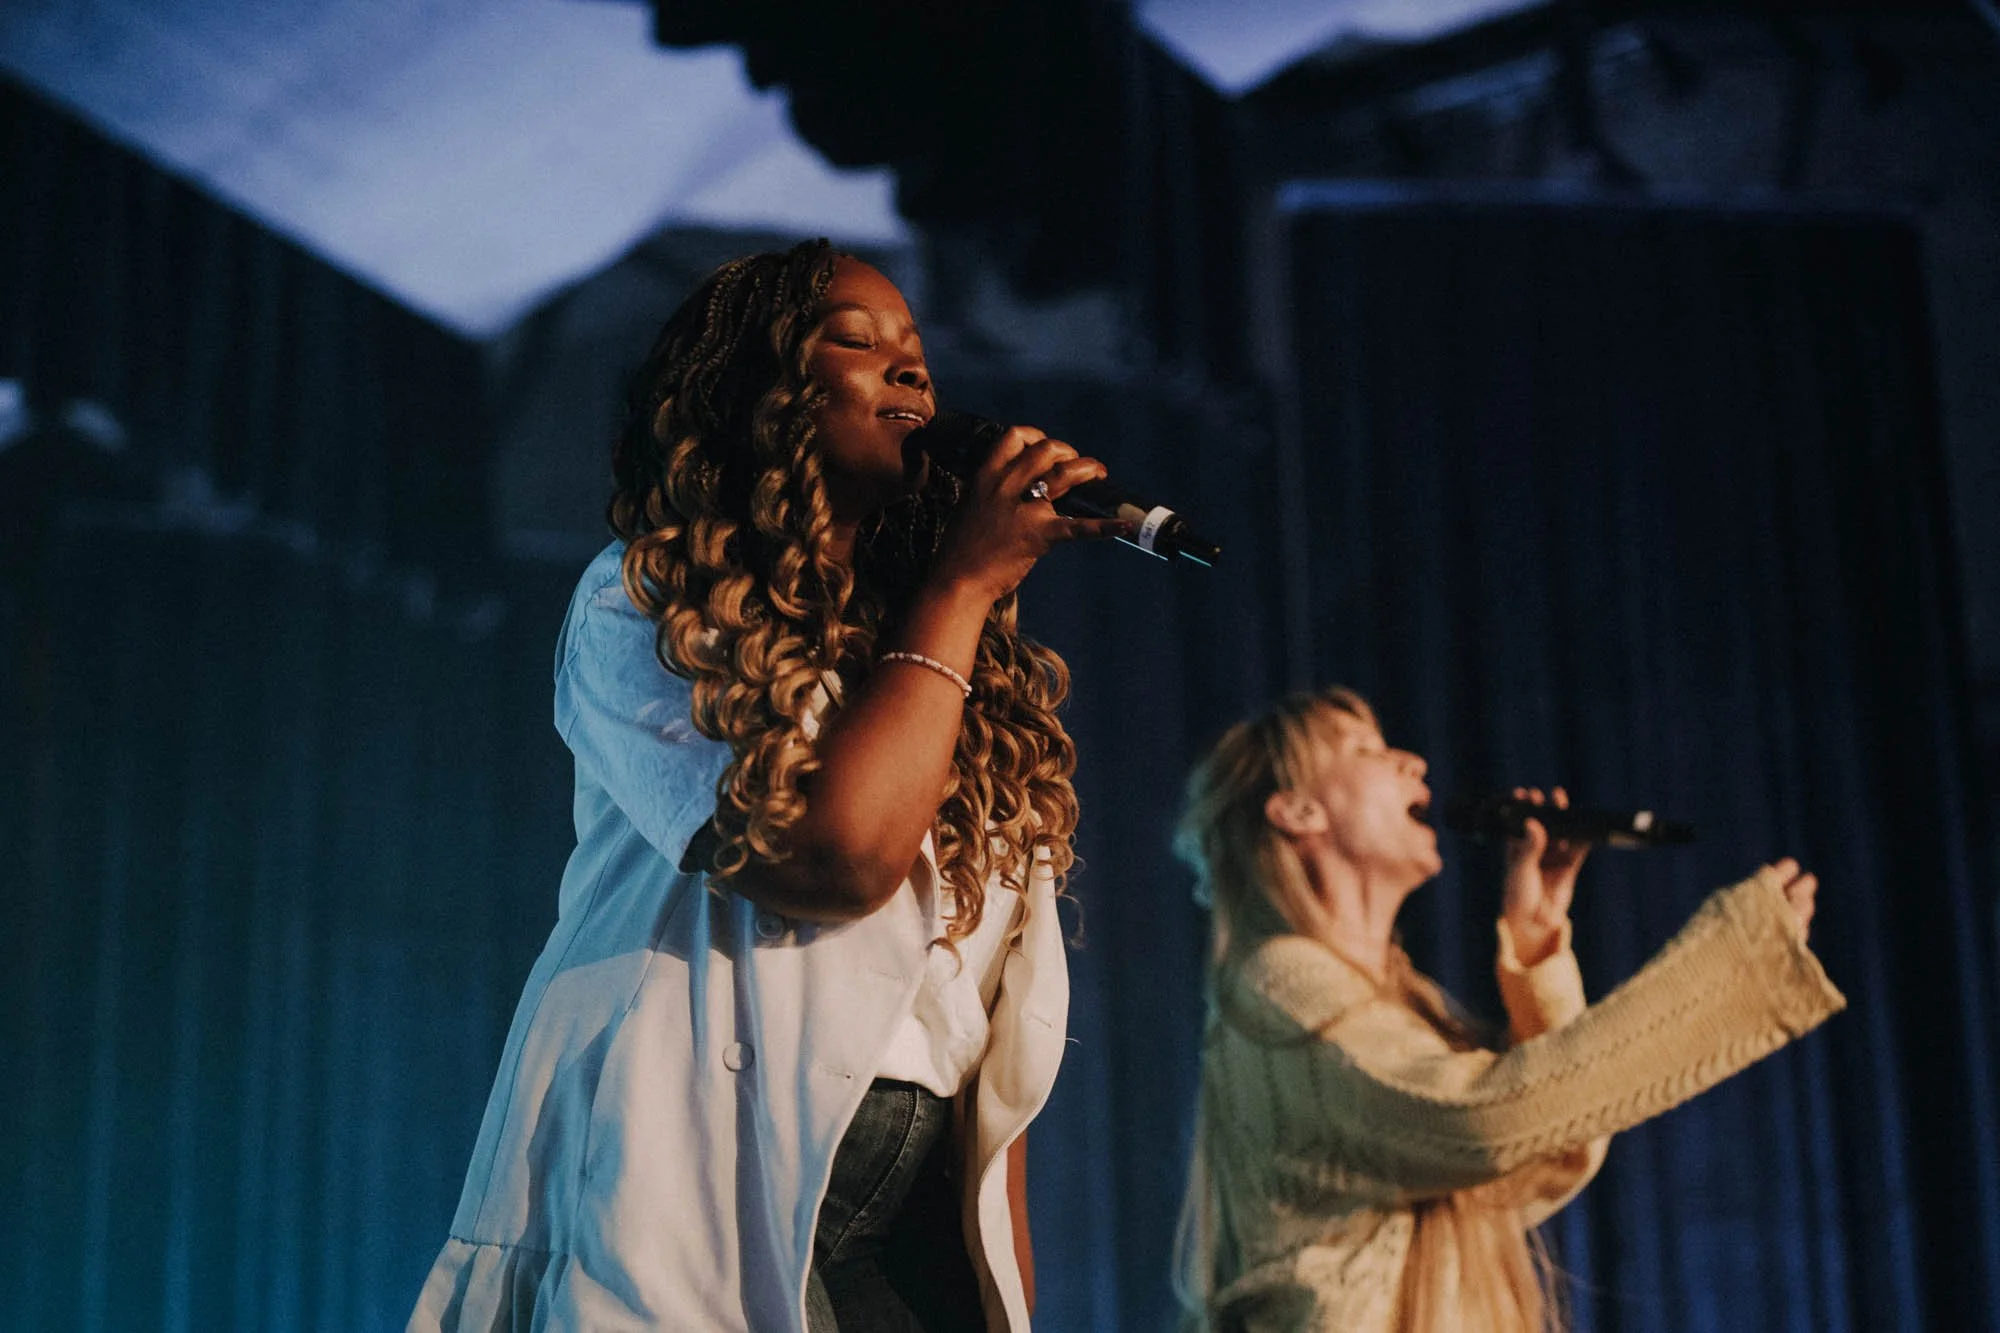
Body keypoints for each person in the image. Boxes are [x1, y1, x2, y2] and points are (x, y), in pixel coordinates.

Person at [407, 239, 1130, 1332]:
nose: (911, 368)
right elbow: (834, 861)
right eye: (857, 341)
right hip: (704, 1170)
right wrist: (964, 583)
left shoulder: (955, 670)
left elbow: (979, 1035)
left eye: (916, 350)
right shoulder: (647, 604)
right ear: (760, 390)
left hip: (912, 1220)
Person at [1171, 686, 1846, 1333]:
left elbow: (1553, 1146)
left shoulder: (1404, 1004)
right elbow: (1486, 1118)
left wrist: (1536, 941)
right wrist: (1731, 964)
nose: (1413, 762)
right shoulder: (1278, 983)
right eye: (1366, 750)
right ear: (1297, 812)